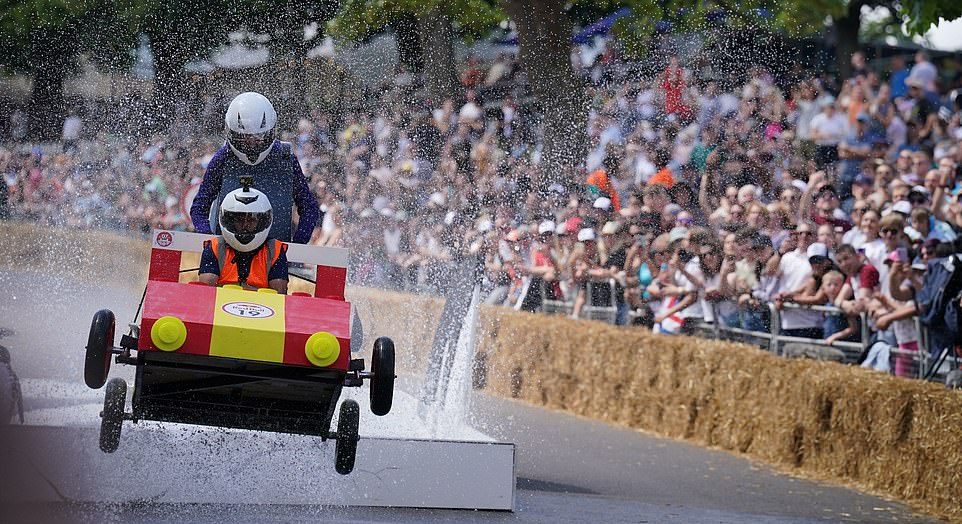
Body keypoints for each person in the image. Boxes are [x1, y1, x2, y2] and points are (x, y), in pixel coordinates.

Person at [191, 92, 319, 244]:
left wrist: (297, 244)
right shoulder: (223, 157)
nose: (251, 143)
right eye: (244, 138)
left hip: (274, 253)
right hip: (227, 251)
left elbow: (309, 208)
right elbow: (200, 207)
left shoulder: (285, 158)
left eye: (258, 138)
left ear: (270, 132)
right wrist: (210, 242)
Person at [198, 186, 289, 294]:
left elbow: (279, 295)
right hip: (220, 307)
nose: (245, 225)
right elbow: (206, 291)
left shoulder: (275, 250)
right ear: (229, 220)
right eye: (239, 220)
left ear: (262, 221)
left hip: (262, 307)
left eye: (251, 220)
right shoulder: (214, 247)